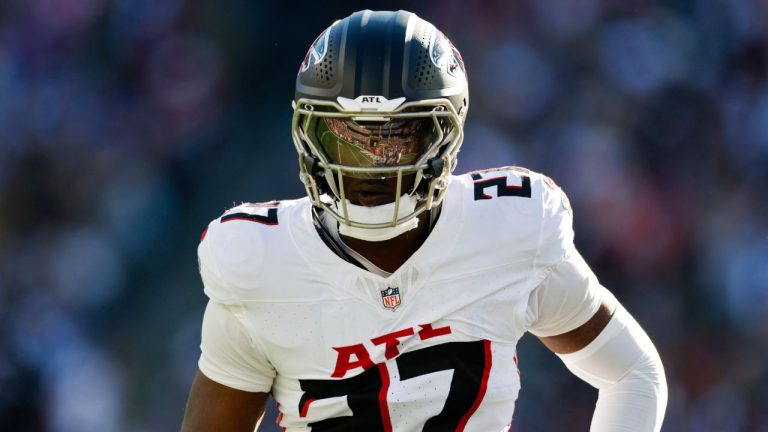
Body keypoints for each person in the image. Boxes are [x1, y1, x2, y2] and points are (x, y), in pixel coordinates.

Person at [181, 9, 667, 432]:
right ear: (308, 134)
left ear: (444, 135)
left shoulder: (509, 231)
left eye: (393, 137)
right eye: (345, 137)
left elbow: (633, 376)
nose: (366, 164)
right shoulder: (257, 264)